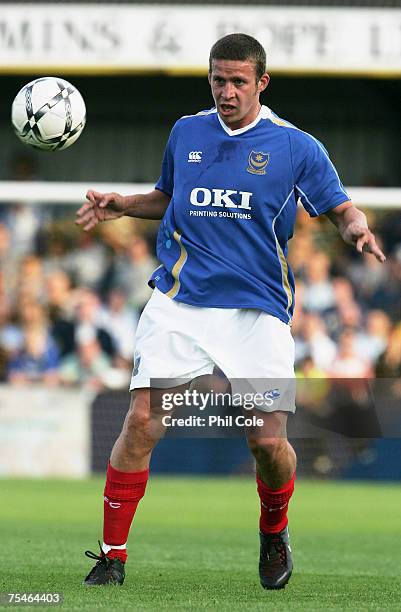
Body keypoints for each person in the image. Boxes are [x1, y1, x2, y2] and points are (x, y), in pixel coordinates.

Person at [76, 33, 385, 590]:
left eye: (239, 81)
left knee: (266, 442)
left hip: (258, 310)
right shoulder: (186, 130)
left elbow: (340, 208)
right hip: (180, 301)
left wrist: (356, 227)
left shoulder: (296, 146)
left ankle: (274, 528)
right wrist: (123, 205)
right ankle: (112, 555)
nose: (226, 91)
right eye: (218, 79)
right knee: (142, 421)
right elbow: (168, 198)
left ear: (261, 83)